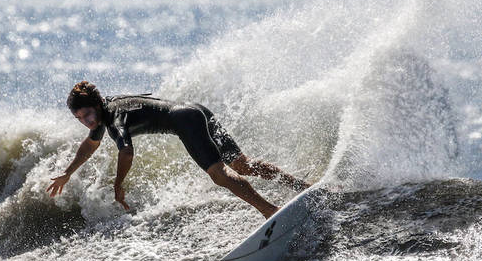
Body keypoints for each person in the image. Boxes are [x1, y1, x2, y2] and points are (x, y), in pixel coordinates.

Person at [46, 81, 310, 218]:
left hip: (186, 120)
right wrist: (67, 173)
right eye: (80, 118)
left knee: (219, 174)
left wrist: (118, 184)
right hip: (195, 110)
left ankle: (270, 211)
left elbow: (126, 152)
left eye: (88, 114)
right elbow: (90, 144)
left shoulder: (113, 119)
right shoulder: (107, 106)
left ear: (97, 105)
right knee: (242, 165)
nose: (87, 121)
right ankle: (303, 187)